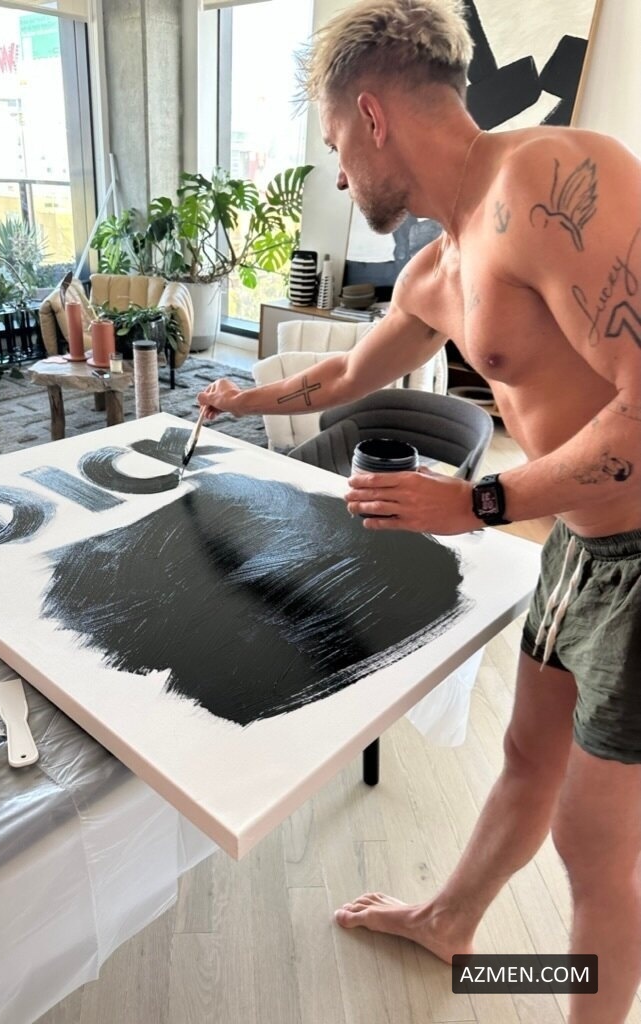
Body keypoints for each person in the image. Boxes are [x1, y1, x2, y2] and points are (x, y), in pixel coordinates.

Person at [198, 0, 641, 1018]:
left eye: (334, 146)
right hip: (580, 549)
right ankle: (450, 923)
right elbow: (345, 374)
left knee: (591, 841)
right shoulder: (436, 267)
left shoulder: (551, 180)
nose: (337, 175)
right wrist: (243, 399)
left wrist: (478, 500)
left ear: (371, 115)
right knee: (525, 757)